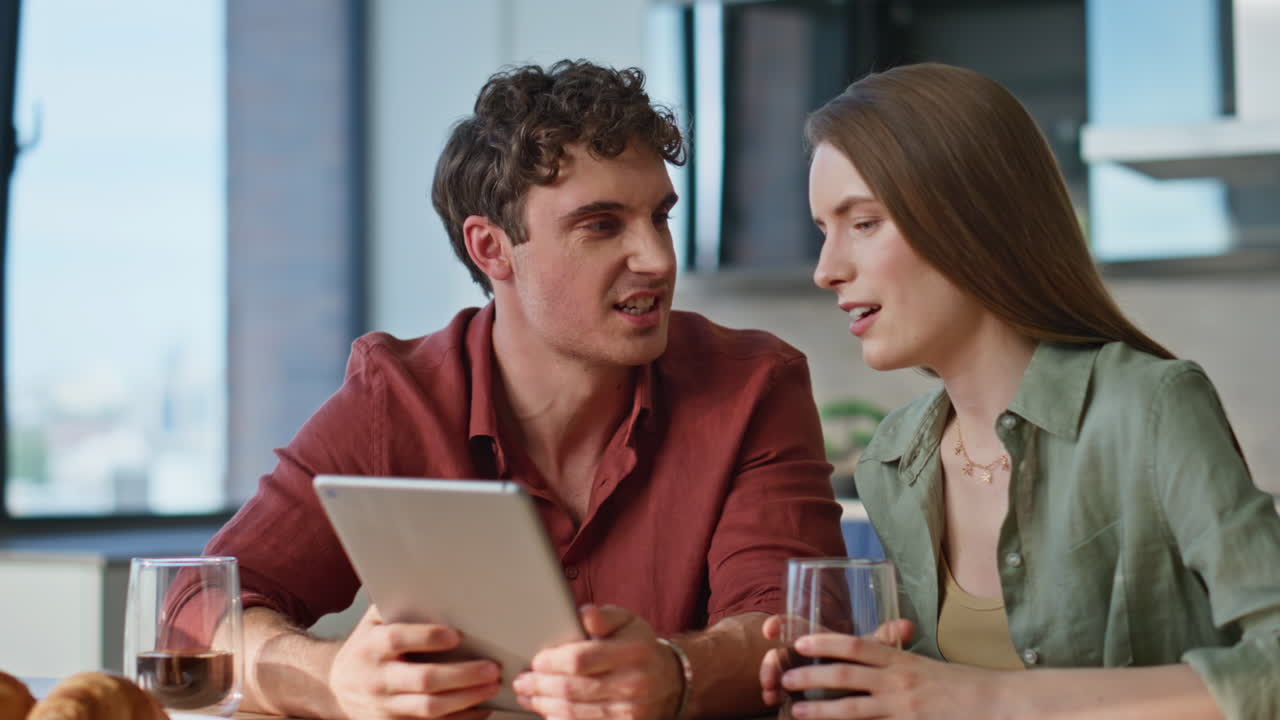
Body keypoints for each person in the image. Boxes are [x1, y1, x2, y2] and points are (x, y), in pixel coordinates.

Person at [197, 59, 846, 720]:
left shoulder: (752, 385)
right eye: (602, 225)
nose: (656, 259)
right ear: (491, 248)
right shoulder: (396, 398)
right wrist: (330, 675)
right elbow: (199, 608)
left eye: (660, 217)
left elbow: (791, 624)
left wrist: (678, 673)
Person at [758, 62, 1280, 720]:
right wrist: (868, 685)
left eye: (863, 223)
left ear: (968, 218)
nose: (826, 270)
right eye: (823, 231)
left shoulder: (1147, 407)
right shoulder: (894, 459)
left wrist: (988, 696)